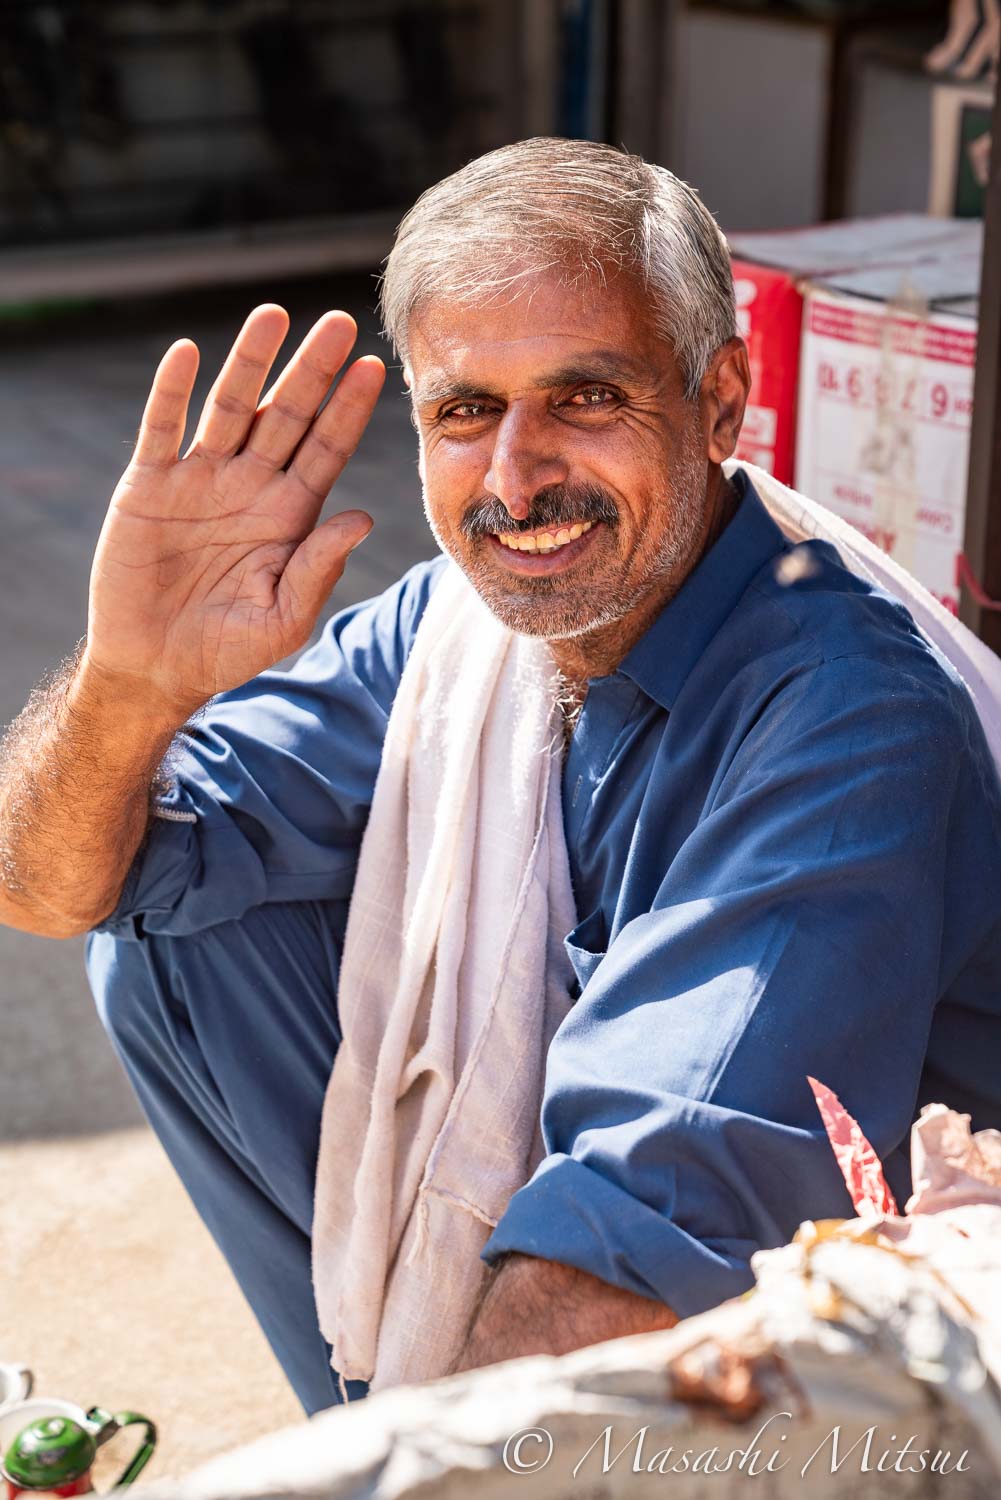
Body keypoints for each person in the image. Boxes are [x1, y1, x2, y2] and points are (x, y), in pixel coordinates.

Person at [2, 137, 1001, 1417]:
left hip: (885, 1358)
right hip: (645, 1272)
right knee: (168, 931)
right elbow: (49, 886)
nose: (516, 479)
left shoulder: (847, 709)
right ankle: (391, 1416)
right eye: (465, 413)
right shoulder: (453, 633)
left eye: (585, 398)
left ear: (718, 401)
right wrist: (129, 683)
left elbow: (640, 1237)